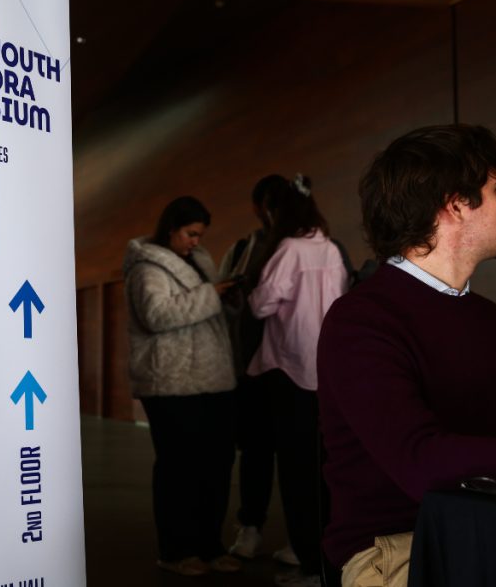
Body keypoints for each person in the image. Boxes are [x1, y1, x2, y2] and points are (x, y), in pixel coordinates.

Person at [317, 124, 496, 587]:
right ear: (455, 205)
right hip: (400, 547)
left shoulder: (493, 320)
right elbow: (419, 461)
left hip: (494, 528)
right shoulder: (361, 320)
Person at [123, 196, 242, 577]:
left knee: (217, 465)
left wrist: (228, 298)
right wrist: (212, 294)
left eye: (199, 235)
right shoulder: (147, 268)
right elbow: (157, 315)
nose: (195, 242)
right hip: (171, 382)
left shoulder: (201, 262)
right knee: (179, 470)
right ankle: (175, 550)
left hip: (212, 378)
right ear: (171, 228)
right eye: (190, 234)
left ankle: (210, 546)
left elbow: (207, 311)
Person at [247, 174, 349, 587]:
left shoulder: (288, 249)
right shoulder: (331, 249)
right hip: (326, 371)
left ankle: (308, 562)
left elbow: (261, 305)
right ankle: (321, 557)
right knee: (324, 471)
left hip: (290, 370)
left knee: (294, 471)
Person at [219, 175, 292, 562]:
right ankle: (250, 526)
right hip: (253, 370)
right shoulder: (242, 249)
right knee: (256, 454)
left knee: (298, 459)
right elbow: (225, 306)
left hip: (298, 373)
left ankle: (301, 538)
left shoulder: (313, 246)